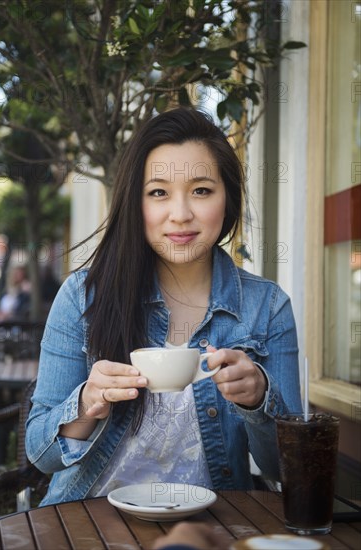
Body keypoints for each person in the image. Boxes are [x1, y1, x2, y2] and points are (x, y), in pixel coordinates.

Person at [26, 107, 302, 505]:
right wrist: (88, 402)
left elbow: (285, 469)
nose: (181, 214)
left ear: (228, 199)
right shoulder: (83, 296)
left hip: (210, 530)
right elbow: (40, 454)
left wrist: (260, 398)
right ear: (135, 204)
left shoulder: (267, 307)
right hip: (85, 522)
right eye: (158, 193)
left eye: (201, 190)